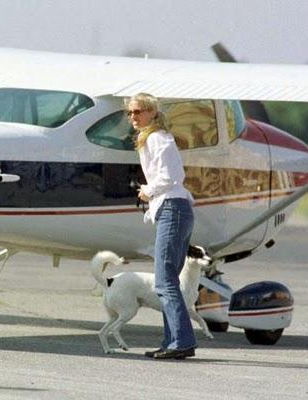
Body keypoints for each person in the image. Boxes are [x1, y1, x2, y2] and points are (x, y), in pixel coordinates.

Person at [126, 93, 197, 360]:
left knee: (164, 281)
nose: (134, 117)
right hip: (175, 209)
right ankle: (172, 341)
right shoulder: (152, 138)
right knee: (169, 282)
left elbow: (172, 177)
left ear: (153, 112)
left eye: (139, 111)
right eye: (130, 113)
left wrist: (148, 191)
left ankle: (181, 341)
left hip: (172, 208)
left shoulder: (158, 138)